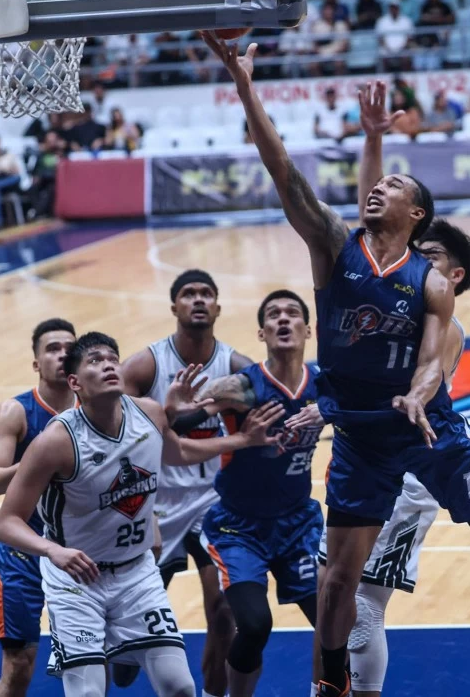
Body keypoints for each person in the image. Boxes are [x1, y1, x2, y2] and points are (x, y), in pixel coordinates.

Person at [202, 32, 470, 697]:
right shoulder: (334, 247)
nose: (379, 188)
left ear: (417, 212)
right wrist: (244, 85)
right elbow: (280, 164)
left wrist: (418, 393)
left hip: (429, 429)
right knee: (338, 581)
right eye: (378, 183)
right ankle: (334, 679)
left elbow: (433, 360)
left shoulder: (431, 283)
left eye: (394, 185)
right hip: (361, 438)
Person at [305, 217, 470, 697]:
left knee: (363, 607)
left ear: (454, 277)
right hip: (366, 457)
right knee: (330, 591)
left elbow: (409, 396)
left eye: (432, 256)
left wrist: (331, 409)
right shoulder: (392, 308)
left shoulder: (445, 329)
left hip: (407, 471)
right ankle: (323, 688)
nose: (419, 262)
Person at [0, 333, 200, 697]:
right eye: (95, 360)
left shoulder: (149, 413)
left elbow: (169, 458)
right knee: (88, 693)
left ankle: (124, 649)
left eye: (112, 358)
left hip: (135, 573)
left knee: (180, 686)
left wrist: (236, 438)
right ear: (74, 382)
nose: (108, 365)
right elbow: (6, 522)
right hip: (76, 581)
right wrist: (53, 551)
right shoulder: (55, 441)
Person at [172, 290, 324, 697]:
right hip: (239, 529)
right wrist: (178, 407)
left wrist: (332, 411)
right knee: (255, 626)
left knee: (336, 623)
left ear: (308, 330)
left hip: (298, 525)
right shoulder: (241, 387)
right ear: (262, 333)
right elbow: (178, 428)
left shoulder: (324, 387)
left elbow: (367, 410)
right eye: (273, 315)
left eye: (292, 314)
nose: (283, 319)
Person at [119, 269, 253, 697]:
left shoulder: (235, 366)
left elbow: (274, 401)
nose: (198, 299)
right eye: (189, 293)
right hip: (155, 503)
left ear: (218, 307)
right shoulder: (146, 364)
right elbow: (113, 425)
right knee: (128, 642)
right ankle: (122, 651)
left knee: (223, 610)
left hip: (215, 501)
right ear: (174, 306)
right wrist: (176, 413)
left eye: (206, 293)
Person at [0, 319, 77, 697]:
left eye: (69, 348)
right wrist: (41, 457)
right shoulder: (15, 412)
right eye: (52, 349)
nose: (62, 355)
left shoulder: (96, 411)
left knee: (90, 663)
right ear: (36, 363)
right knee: (19, 665)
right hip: (23, 551)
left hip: (77, 550)